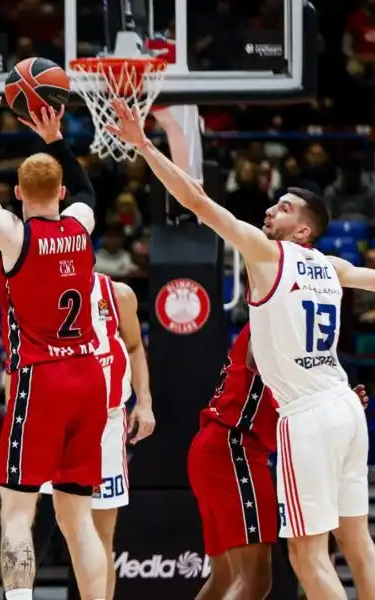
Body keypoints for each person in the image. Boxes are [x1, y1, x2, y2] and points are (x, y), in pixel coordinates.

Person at [108, 99, 375, 600]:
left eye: (286, 208)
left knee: (308, 557)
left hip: (308, 413)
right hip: (344, 404)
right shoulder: (335, 267)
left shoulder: (268, 253)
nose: (272, 208)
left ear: (303, 231)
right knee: (358, 541)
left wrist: (144, 146)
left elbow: (197, 202)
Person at [0, 78, 108, 600]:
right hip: (91, 377)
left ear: (19, 193)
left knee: (18, 512)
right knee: (78, 519)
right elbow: (89, 191)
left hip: (42, 380)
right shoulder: (80, 225)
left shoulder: (14, 235)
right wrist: (55, 138)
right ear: (61, 193)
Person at [188, 324, 369, 600]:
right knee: (255, 580)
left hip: (216, 447)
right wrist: (324, 393)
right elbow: (255, 359)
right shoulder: (273, 316)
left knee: (224, 578)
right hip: (235, 447)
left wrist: (332, 398)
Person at [40, 273, 155, 600]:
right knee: (45, 530)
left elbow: (134, 346)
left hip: (106, 423)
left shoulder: (117, 294)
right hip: (55, 425)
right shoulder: (36, 291)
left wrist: (143, 401)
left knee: (100, 534)